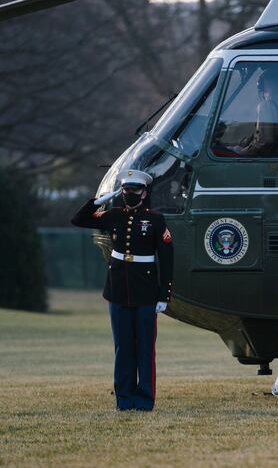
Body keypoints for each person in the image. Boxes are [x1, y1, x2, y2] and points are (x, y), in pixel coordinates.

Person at [71, 169, 174, 411]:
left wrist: (164, 295)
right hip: (117, 290)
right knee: (123, 348)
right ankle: (124, 400)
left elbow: (167, 259)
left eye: (134, 190)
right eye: (126, 190)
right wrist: (99, 201)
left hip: (146, 292)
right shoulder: (114, 215)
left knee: (145, 349)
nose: (129, 194)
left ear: (144, 192)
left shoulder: (155, 220)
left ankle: (144, 400)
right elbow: (78, 219)